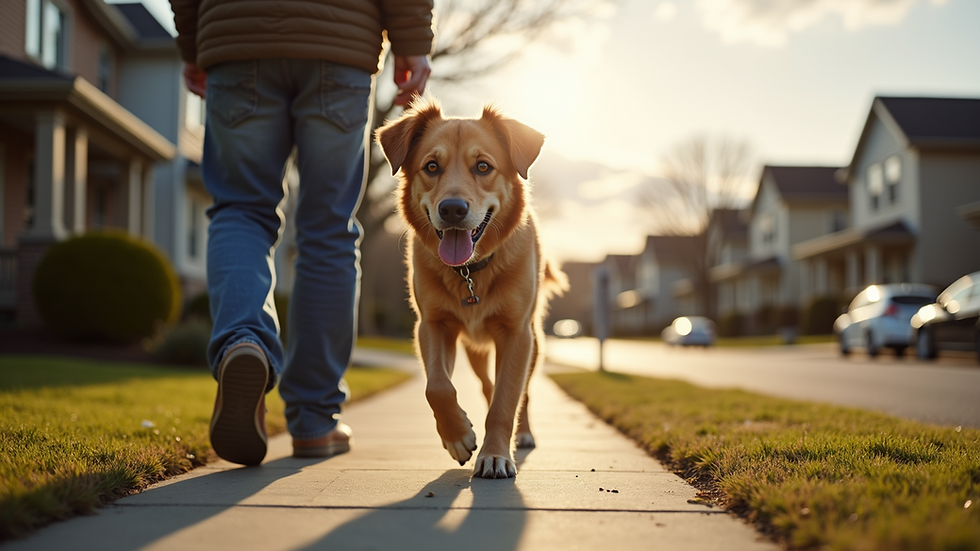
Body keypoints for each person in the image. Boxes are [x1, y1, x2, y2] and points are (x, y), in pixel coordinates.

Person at [169, 0, 434, 466]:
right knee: (328, 229)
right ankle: (314, 420)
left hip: (235, 35)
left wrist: (194, 41)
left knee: (241, 210)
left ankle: (243, 341)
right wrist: (412, 42)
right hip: (340, 43)